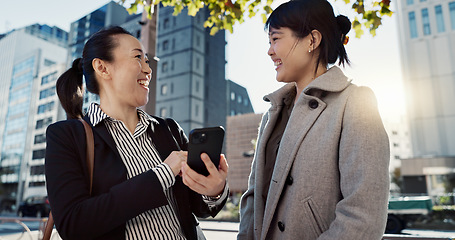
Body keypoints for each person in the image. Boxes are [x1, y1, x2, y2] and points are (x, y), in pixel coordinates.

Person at [45, 26, 229, 240]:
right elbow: (73, 224)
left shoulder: (169, 130)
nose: (148, 70)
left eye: (147, 61)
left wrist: (214, 190)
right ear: (103, 68)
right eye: (137, 58)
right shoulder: (66, 136)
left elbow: (199, 206)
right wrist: (163, 173)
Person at [237, 0, 390, 239]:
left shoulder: (355, 102)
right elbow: (254, 198)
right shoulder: (273, 113)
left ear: (312, 40)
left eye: (275, 39)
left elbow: (364, 216)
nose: (269, 51)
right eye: (269, 42)